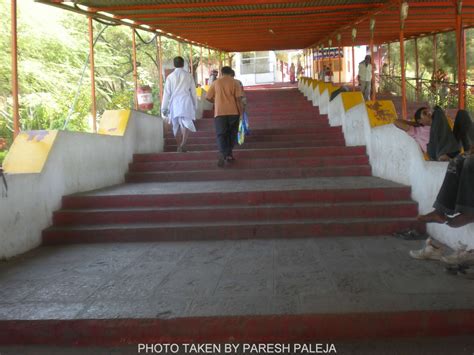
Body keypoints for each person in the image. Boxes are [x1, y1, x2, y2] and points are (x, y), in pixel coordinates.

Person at [394, 106, 465, 161]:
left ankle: (469, 150)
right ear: (419, 121)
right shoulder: (417, 130)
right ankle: (442, 155)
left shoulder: (440, 125)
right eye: (425, 113)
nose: (429, 114)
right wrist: (415, 123)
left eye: (429, 112)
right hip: (435, 152)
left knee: (462, 114)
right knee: (437, 110)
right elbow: (396, 122)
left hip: (451, 148)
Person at [206, 66, 243, 167]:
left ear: (221, 73)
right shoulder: (235, 83)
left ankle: (223, 153)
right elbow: (238, 99)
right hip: (233, 112)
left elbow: (208, 97)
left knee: (221, 134)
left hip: (219, 113)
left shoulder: (216, 83)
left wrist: (216, 102)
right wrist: (241, 113)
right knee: (232, 134)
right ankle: (229, 154)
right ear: (230, 72)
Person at [161, 56, 197, 153]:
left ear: (174, 64)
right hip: (186, 101)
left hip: (175, 103)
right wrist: (195, 104)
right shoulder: (188, 75)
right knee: (186, 123)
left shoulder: (170, 77)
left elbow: (166, 93)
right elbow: (193, 92)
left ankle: (178, 145)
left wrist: (163, 108)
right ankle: (183, 144)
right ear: (183, 64)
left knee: (175, 124)